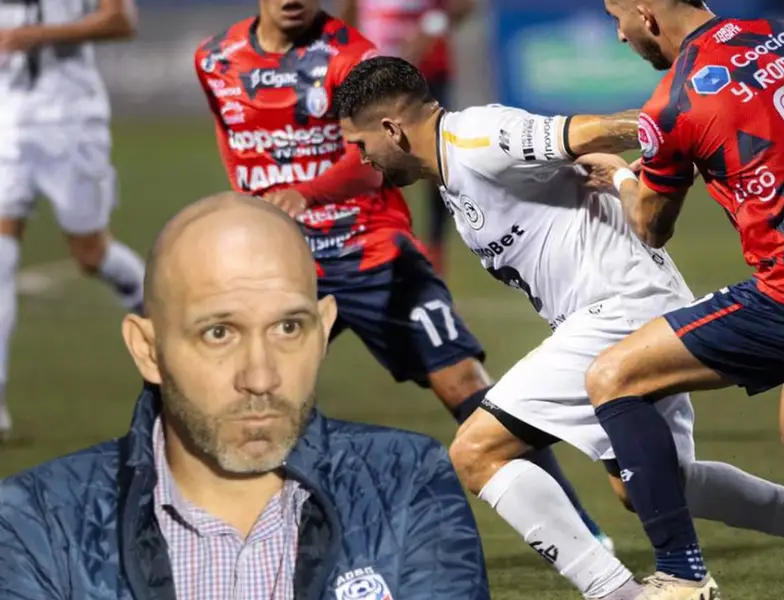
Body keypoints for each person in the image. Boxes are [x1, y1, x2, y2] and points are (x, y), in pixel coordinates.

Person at [336, 55, 784, 600]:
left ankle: (620, 594)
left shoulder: (476, 137)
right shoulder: (454, 170)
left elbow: (590, 131)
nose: (361, 159)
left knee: (476, 451)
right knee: (651, 486)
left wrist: (677, 126)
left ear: (392, 129)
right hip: (626, 306)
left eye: (360, 144)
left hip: (619, 310)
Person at [192, 0, 609, 547]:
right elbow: (234, 139)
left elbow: (377, 165)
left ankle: (579, 532)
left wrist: (306, 192)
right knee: (241, 394)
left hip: (368, 250)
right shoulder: (215, 60)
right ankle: (237, 536)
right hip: (280, 263)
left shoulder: (351, 56)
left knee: (463, 382)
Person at [573, 1, 784, 599]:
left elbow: (651, 227)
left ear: (646, 14)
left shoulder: (674, 100)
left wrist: (625, 176)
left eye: (617, 17)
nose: (620, 34)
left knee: (612, 378)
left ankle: (681, 577)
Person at [0, 193, 489, 599]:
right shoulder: (37, 521)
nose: (260, 377)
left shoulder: (408, 488)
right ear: (148, 350)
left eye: (287, 327)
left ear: (323, 332)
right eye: (219, 333)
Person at [0, 0, 147, 442]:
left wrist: (30, 36)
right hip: (8, 117)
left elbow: (120, 20)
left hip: (72, 121)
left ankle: (158, 311)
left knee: (91, 253)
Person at [337, 0, 475, 275]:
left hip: (427, 74)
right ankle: (384, 244)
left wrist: (430, 28)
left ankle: (435, 250)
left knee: (437, 160)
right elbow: (348, 15)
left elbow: (463, 5)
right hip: (375, 78)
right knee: (373, 160)